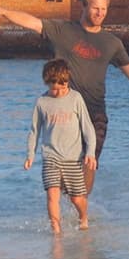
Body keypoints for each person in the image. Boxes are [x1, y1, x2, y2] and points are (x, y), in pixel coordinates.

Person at [0, 0, 129, 200]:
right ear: (83, 6)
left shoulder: (112, 43)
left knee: (90, 162)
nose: (100, 13)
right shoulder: (62, 31)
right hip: (65, 113)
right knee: (63, 168)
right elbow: (32, 22)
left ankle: (81, 209)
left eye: (104, 9)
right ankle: (65, 207)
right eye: (95, 8)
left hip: (95, 112)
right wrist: (2, 12)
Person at [26, 59, 98, 233]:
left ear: (67, 82)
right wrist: (30, 154)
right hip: (50, 157)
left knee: (76, 199)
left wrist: (90, 152)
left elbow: (87, 127)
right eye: (54, 89)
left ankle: (83, 217)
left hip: (73, 158)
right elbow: (34, 130)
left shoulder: (75, 98)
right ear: (47, 83)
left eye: (62, 88)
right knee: (52, 195)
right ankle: (56, 231)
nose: (58, 92)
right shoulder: (42, 102)